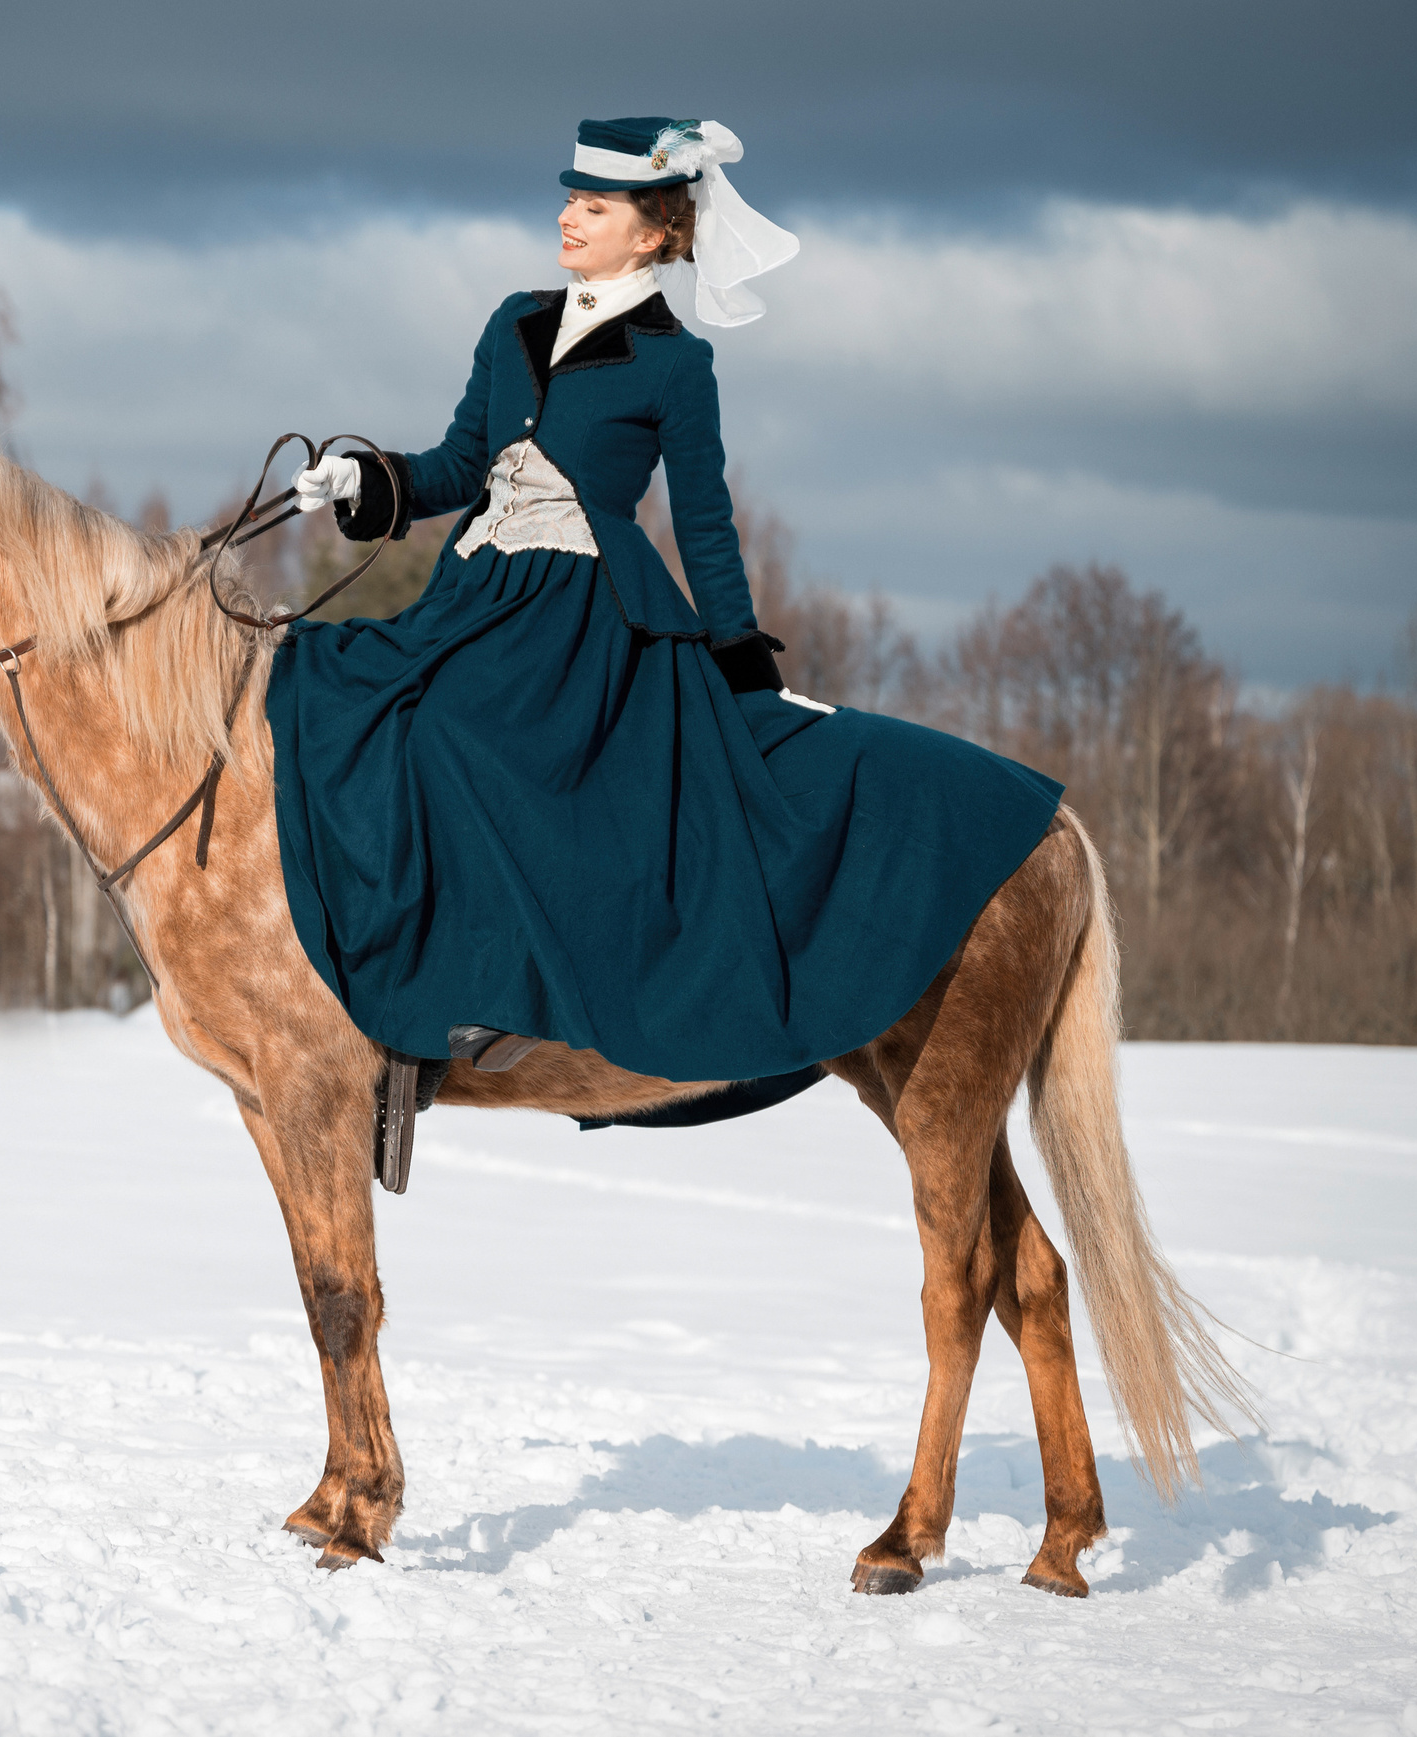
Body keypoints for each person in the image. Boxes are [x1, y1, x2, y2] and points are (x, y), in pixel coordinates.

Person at [263, 116, 1065, 1102]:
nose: (566, 218)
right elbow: (456, 466)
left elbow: (706, 525)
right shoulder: (512, 321)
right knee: (349, 703)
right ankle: (388, 974)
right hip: (472, 591)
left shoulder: (675, 366)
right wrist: (359, 479)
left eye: (591, 207)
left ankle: (490, 989)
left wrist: (746, 671)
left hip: (579, 618)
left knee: (470, 745)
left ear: (650, 233)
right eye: (567, 200)